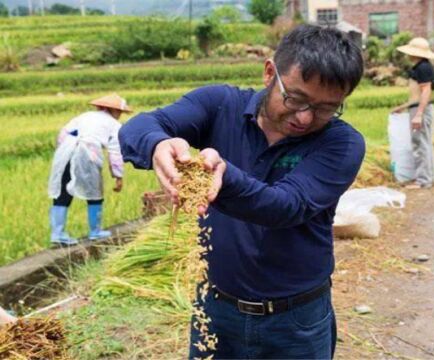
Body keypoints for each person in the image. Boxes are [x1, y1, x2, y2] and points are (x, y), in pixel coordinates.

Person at [119, 25, 365, 359]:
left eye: (326, 108)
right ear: (269, 73)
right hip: (216, 308)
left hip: (296, 321)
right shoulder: (220, 105)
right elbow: (139, 126)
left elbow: (285, 206)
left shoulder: (341, 142)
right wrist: (157, 144)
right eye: (295, 98)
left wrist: (224, 175)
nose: (305, 118)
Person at [47, 94, 131, 246]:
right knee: (94, 190)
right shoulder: (114, 125)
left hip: (65, 150)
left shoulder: (84, 116)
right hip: (88, 151)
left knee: (62, 190)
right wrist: (118, 176)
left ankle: (57, 234)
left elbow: (63, 134)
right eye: (119, 112)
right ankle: (95, 231)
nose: (119, 115)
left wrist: (64, 151)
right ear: (113, 110)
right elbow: (115, 152)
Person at [391, 37, 434, 189]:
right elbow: (417, 95)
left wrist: (418, 114)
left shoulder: (422, 68)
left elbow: (426, 91)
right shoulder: (422, 67)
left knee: (420, 143)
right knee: (425, 143)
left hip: (421, 110)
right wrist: (404, 106)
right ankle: (429, 178)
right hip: (419, 108)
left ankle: (423, 180)